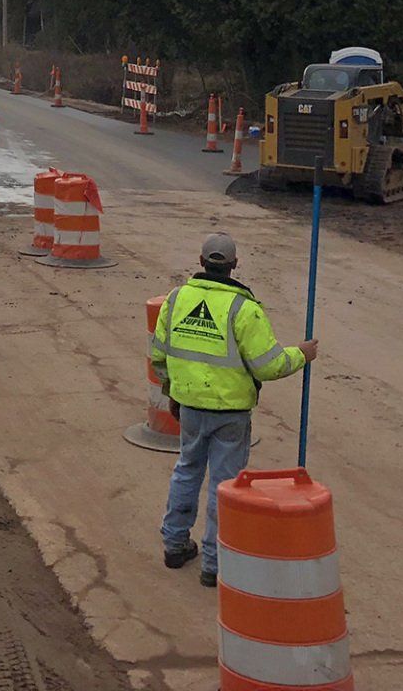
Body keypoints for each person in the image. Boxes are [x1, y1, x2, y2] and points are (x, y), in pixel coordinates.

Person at [152, 231, 317, 587]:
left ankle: (175, 545)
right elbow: (268, 366)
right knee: (225, 486)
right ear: (234, 265)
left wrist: (172, 390)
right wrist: (301, 355)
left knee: (186, 470)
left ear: (200, 262)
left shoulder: (177, 298)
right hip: (230, 414)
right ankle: (214, 564)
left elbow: (158, 355)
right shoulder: (244, 309)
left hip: (190, 406)